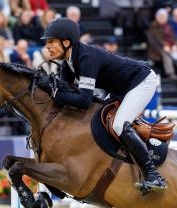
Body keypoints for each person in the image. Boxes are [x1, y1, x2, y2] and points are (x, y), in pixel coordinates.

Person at [38, 17, 167, 192]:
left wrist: (54, 93)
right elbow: (66, 90)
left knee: (119, 124)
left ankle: (153, 175)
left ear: (66, 42)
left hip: (141, 81)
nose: (47, 46)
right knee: (98, 121)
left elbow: (83, 100)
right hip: (120, 88)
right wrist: (47, 86)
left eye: (51, 41)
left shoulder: (85, 57)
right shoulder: (68, 62)